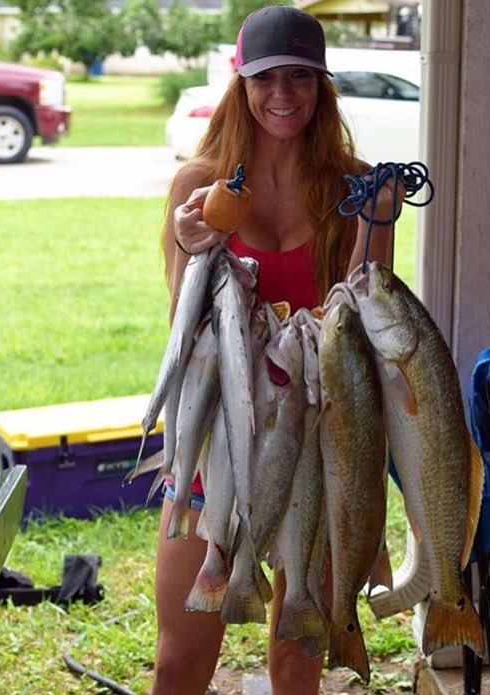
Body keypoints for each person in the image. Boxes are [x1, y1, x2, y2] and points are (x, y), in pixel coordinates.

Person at [152, 6, 405, 695]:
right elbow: (183, 327)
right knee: (178, 662)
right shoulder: (196, 187)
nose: (283, 94)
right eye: (266, 77)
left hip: (316, 446)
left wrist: (378, 218)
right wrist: (188, 241)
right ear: (241, 84)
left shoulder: (355, 186)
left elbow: (367, 318)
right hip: (219, 438)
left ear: (322, 87)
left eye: (301, 76)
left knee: (298, 660)